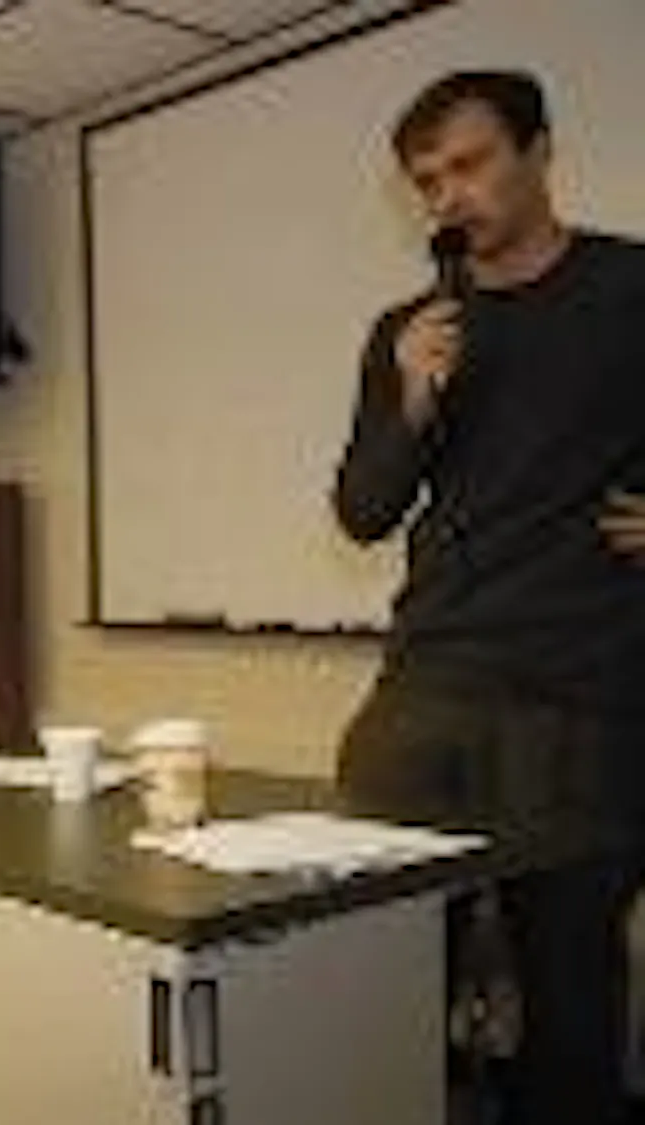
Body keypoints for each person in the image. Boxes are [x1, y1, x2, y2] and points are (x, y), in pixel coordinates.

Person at [332, 70, 645, 1124]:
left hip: (584, 705)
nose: (448, 197)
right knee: (378, 992)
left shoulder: (632, 290)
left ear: (539, 151)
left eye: (468, 165)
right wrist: (413, 398)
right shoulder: (411, 329)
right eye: (427, 182)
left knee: (572, 1006)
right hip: (426, 697)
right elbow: (363, 511)